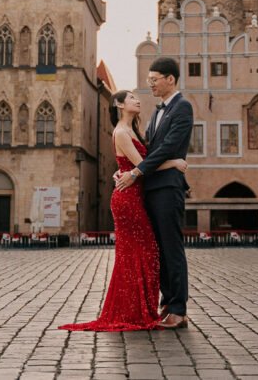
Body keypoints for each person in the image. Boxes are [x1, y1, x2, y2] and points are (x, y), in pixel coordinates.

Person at [60, 90, 188, 332]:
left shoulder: (133, 131)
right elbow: (143, 164)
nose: (137, 100)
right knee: (142, 252)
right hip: (128, 199)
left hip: (136, 195)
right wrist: (174, 162)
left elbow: (137, 163)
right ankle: (133, 310)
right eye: (131, 97)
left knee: (141, 252)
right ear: (119, 104)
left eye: (136, 97)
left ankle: (139, 309)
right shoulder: (120, 131)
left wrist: (123, 170)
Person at [115, 56, 193, 329]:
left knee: (171, 248)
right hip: (151, 187)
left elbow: (167, 148)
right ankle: (166, 302)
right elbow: (147, 151)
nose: (150, 85)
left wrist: (135, 173)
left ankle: (178, 309)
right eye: (148, 80)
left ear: (170, 79)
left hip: (167, 187)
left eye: (154, 80)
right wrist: (124, 169)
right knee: (157, 249)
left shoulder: (182, 108)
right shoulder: (158, 111)